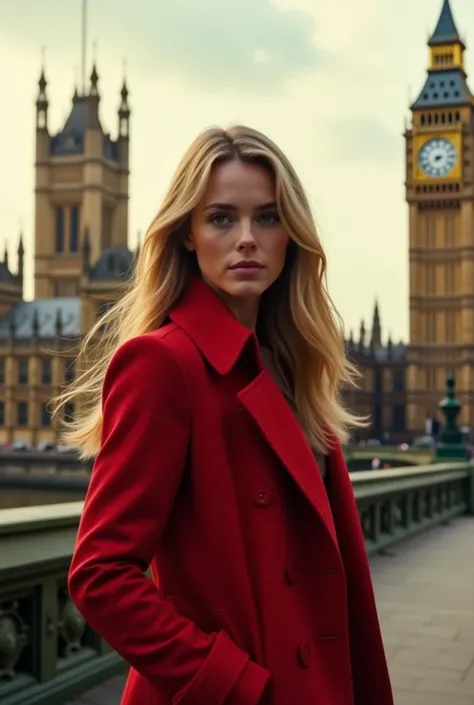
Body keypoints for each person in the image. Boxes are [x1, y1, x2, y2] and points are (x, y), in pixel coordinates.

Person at [58, 125, 394, 705]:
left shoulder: (295, 369)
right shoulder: (162, 364)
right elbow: (99, 575)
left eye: (266, 218)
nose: (246, 239)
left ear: (292, 234)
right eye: (221, 218)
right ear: (187, 234)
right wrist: (234, 685)